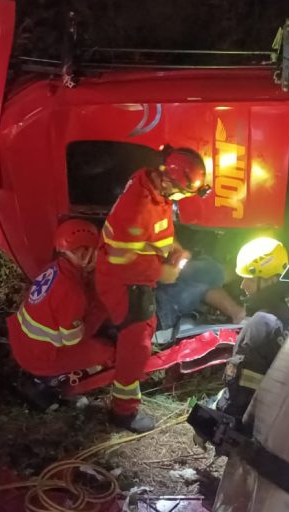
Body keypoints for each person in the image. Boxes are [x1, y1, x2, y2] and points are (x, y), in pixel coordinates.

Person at [95, 146, 243, 433]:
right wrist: (167, 273)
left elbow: (156, 228)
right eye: (182, 193)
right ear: (168, 181)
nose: (181, 198)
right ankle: (122, 413)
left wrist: (174, 250)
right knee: (137, 347)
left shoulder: (151, 185)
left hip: (141, 273)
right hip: (122, 283)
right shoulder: (136, 208)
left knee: (200, 275)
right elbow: (124, 265)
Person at [6, 219, 116, 407]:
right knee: (108, 351)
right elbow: (73, 340)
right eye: (96, 250)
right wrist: (102, 310)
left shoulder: (55, 268)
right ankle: (52, 382)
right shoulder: (71, 292)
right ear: (82, 252)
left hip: (24, 345)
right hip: (42, 358)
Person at [217, 237, 289, 422]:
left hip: (265, 424)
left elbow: (240, 392)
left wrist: (218, 412)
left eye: (248, 278)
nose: (243, 285)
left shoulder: (262, 324)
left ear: (267, 279)